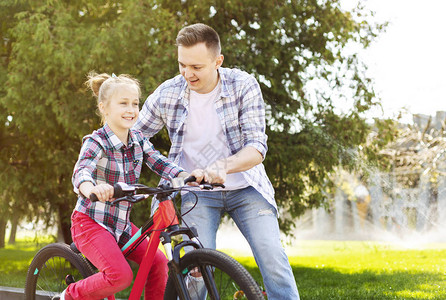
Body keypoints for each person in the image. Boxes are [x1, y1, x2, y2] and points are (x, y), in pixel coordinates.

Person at [134, 23, 300, 300]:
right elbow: (133, 135)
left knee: (272, 256)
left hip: (246, 188)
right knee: (196, 268)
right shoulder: (168, 93)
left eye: (196, 67)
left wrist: (221, 167)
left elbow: (256, 147)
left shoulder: (243, 85)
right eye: (182, 65)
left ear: (218, 61)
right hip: (197, 192)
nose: (188, 74)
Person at [60, 72, 198, 300]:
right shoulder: (96, 142)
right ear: (104, 108)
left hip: (121, 225)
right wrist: (91, 189)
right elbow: (82, 171)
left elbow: (159, 161)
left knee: (158, 262)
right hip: (90, 223)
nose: (131, 109)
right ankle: (68, 295)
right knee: (120, 276)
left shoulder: (138, 140)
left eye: (135, 104)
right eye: (123, 103)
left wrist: (187, 176)